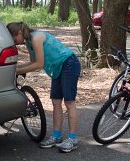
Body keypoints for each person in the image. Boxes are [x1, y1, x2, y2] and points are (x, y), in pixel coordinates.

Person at [7, 22, 82, 153]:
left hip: (69, 63)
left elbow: (39, 64)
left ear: (19, 33)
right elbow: (32, 61)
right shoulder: (29, 42)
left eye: (14, 39)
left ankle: (73, 139)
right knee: (56, 102)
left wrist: (16, 72)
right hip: (58, 67)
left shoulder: (36, 38)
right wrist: (16, 68)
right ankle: (57, 136)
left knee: (69, 102)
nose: (14, 43)